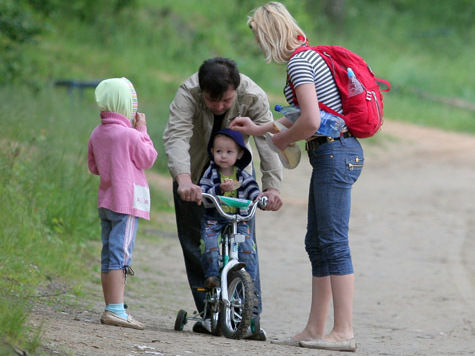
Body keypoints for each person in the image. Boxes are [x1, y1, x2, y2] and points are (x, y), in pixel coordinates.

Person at [229, 2, 364, 351]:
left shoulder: (300, 63)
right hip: (331, 154)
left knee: (333, 242)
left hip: (336, 153)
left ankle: (344, 331)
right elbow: (301, 114)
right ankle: (316, 327)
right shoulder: (306, 57)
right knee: (316, 243)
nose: (259, 45)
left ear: (268, 33)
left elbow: (311, 122)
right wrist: (260, 128)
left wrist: (280, 141)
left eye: (259, 37)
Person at [163, 57, 283, 340]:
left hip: (237, 184)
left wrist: (272, 186)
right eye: (212, 101)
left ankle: (249, 319)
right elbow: (177, 136)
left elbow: (268, 141)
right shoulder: (188, 93)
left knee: (245, 247)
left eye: (226, 101)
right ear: (202, 90)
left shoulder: (252, 96)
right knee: (198, 245)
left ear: (236, 90)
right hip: (193, 178)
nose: (219, 107)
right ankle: (209, 313)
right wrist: (183, 179)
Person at [88, 77, 158, 330]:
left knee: (109, 253)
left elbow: (93, 166)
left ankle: (112, 306)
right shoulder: (129, 134)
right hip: (126, 204)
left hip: (106, 201)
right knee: (121, 254)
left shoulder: (98, 132)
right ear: (127, 105)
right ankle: (116, 309)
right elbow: (148, 158)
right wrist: (143, 130)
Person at [200, 128, 260, 290]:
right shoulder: (211, 173)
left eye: (229, 152)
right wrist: (219, 188)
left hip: (238, 219)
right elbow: (203, 192)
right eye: (219, 151)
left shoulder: (242, 176)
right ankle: (212, 276)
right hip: (215, 217)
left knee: (248, 248)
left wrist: (259, 198)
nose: (224, 155)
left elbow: (253, 189)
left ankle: (249, 288)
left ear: (239, 154)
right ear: (212, 152)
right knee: (209, 243)